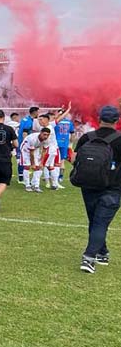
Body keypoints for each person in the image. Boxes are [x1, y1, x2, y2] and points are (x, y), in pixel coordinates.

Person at [74, 105, 121, 274]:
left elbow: (75, 159)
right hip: (113, 188)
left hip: (88, 186)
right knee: (100, 223)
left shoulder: (87, 137)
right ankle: (89, 257)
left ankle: (102, 252)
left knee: (95, 221)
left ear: (99, 118)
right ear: (117, 120)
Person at [18, 107, 40, 184]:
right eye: (38, 112)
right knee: (24, 161)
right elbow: (25, 133)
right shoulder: (29, 121)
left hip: (21, 142)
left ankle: (21, 177)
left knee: (21, 160)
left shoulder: (24, 119)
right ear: (34, 112)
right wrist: (26, 143)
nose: (38, 114)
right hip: (25, 143)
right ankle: (22, 178)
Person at [55, 112, 76, 184]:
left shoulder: (56, 121)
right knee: (62, 161)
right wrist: (71, 142)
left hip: (56, 143)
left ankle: (51, 176)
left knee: (53, 160)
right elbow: (73, 134)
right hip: (65, 143)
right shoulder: (69, 123)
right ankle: (60, 177)